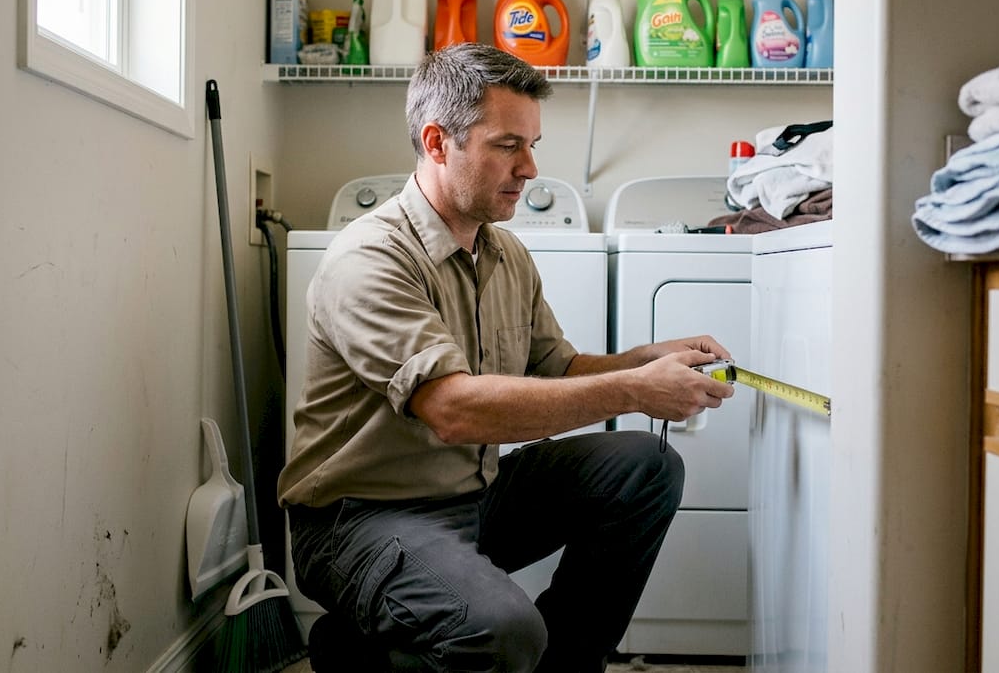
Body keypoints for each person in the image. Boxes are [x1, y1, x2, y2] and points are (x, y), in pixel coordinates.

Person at [277, 43, 735, 673]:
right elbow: (454, 410)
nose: (530, 168)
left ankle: (561, 667)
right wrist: (635, 391)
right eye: (507, 145)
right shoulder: (370, 259)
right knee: (505, 631)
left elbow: (559, 372)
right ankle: (364, 653)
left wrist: (641, 361)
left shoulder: (505, 254)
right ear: (438, 143)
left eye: (533, 145)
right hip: (360, 519)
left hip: (473, 495)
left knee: (646, 465)